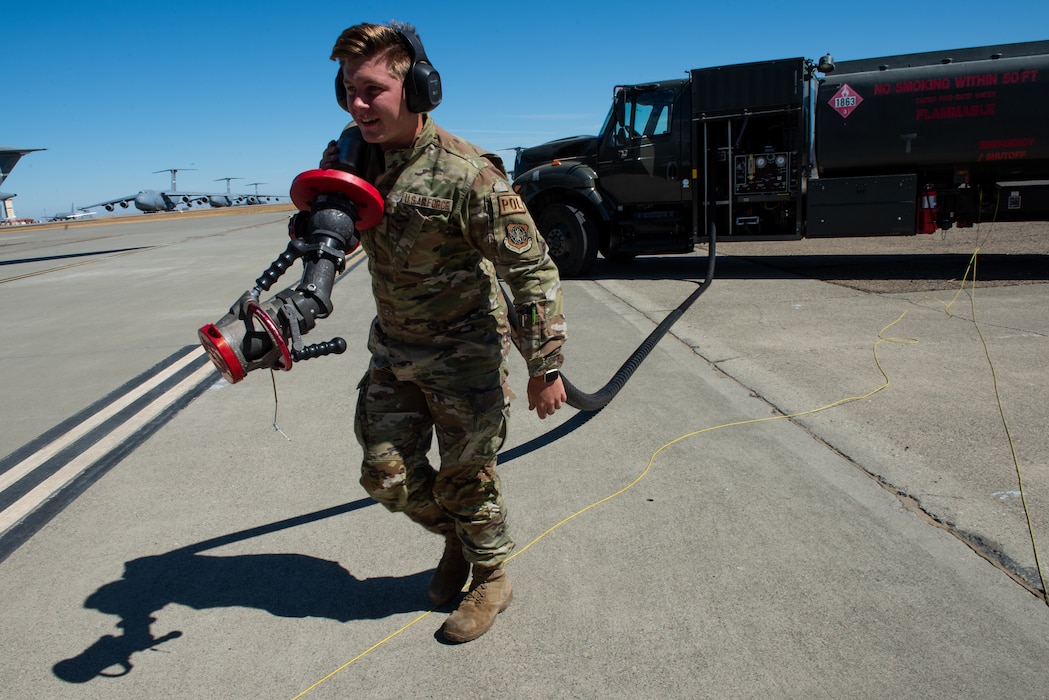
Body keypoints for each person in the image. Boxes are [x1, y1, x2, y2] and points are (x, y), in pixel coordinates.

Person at [321, 21, 567, 643]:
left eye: (371, 89)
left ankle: (491, 574)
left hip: (464, 355)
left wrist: (545, 365)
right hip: (394, 349)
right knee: (385, 474)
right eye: (348, 89)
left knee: (465, 474)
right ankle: (459, 536)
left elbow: (531, 268)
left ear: (419, 89)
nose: (357, 104)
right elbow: (332, 227)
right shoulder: (353, 154)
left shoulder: (466, 174)